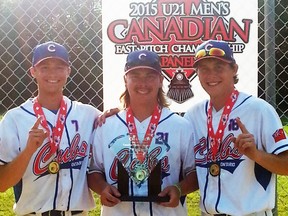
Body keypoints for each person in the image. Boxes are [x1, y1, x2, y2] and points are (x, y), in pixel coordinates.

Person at [87, 50, 198, 216]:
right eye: (135, 76)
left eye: (150, 76)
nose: (143, 83)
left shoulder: (181, 126)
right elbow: (94, 170)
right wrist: (102, 188)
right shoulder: (106, 125)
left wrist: (179, 189)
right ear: (125, 80)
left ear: (161, 80)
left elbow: (195, 173)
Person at [184, 40, 288, 216]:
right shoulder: (193, 115)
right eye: (204, 69)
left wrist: (256, 155)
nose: (211, 75)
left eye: (218, 67)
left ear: (234, 69)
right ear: (197, 74)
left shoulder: (258, 109)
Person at [0, 41, 101, 216]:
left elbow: (119, 126)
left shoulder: (88, 115)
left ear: (68, 71)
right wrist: (28, 151)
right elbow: (2, 184)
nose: (52, 73)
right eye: (44, 67)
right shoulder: (14, 119)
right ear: (33, 72)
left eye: (59, 67)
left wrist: (113, 113)